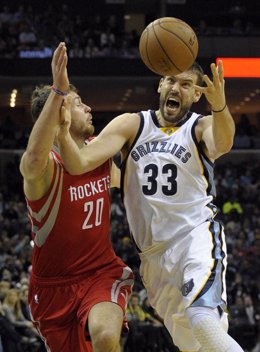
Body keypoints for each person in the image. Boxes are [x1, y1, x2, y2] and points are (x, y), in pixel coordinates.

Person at [57, 42, 244, 352]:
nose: (176, 87)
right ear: (160, 84)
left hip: (194, 238)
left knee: (202, 320)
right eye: (171, 80)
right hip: (153, 259)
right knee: (192, 344)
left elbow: (223, 142)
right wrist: (63, 130)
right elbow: (78, 163)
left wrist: (220, 106)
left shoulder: (200, 127)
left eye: (186, 84)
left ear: (197, 94)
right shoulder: (132, 124)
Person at [19, 42, 134, 352]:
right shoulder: (45, 169)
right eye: (79, 103)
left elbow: (132, 191)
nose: (89, 108)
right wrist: (58, 91)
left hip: (101, 271)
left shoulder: (100, 152)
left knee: (106, 335)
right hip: (52, 290)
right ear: (60, 113)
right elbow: (31, 159)